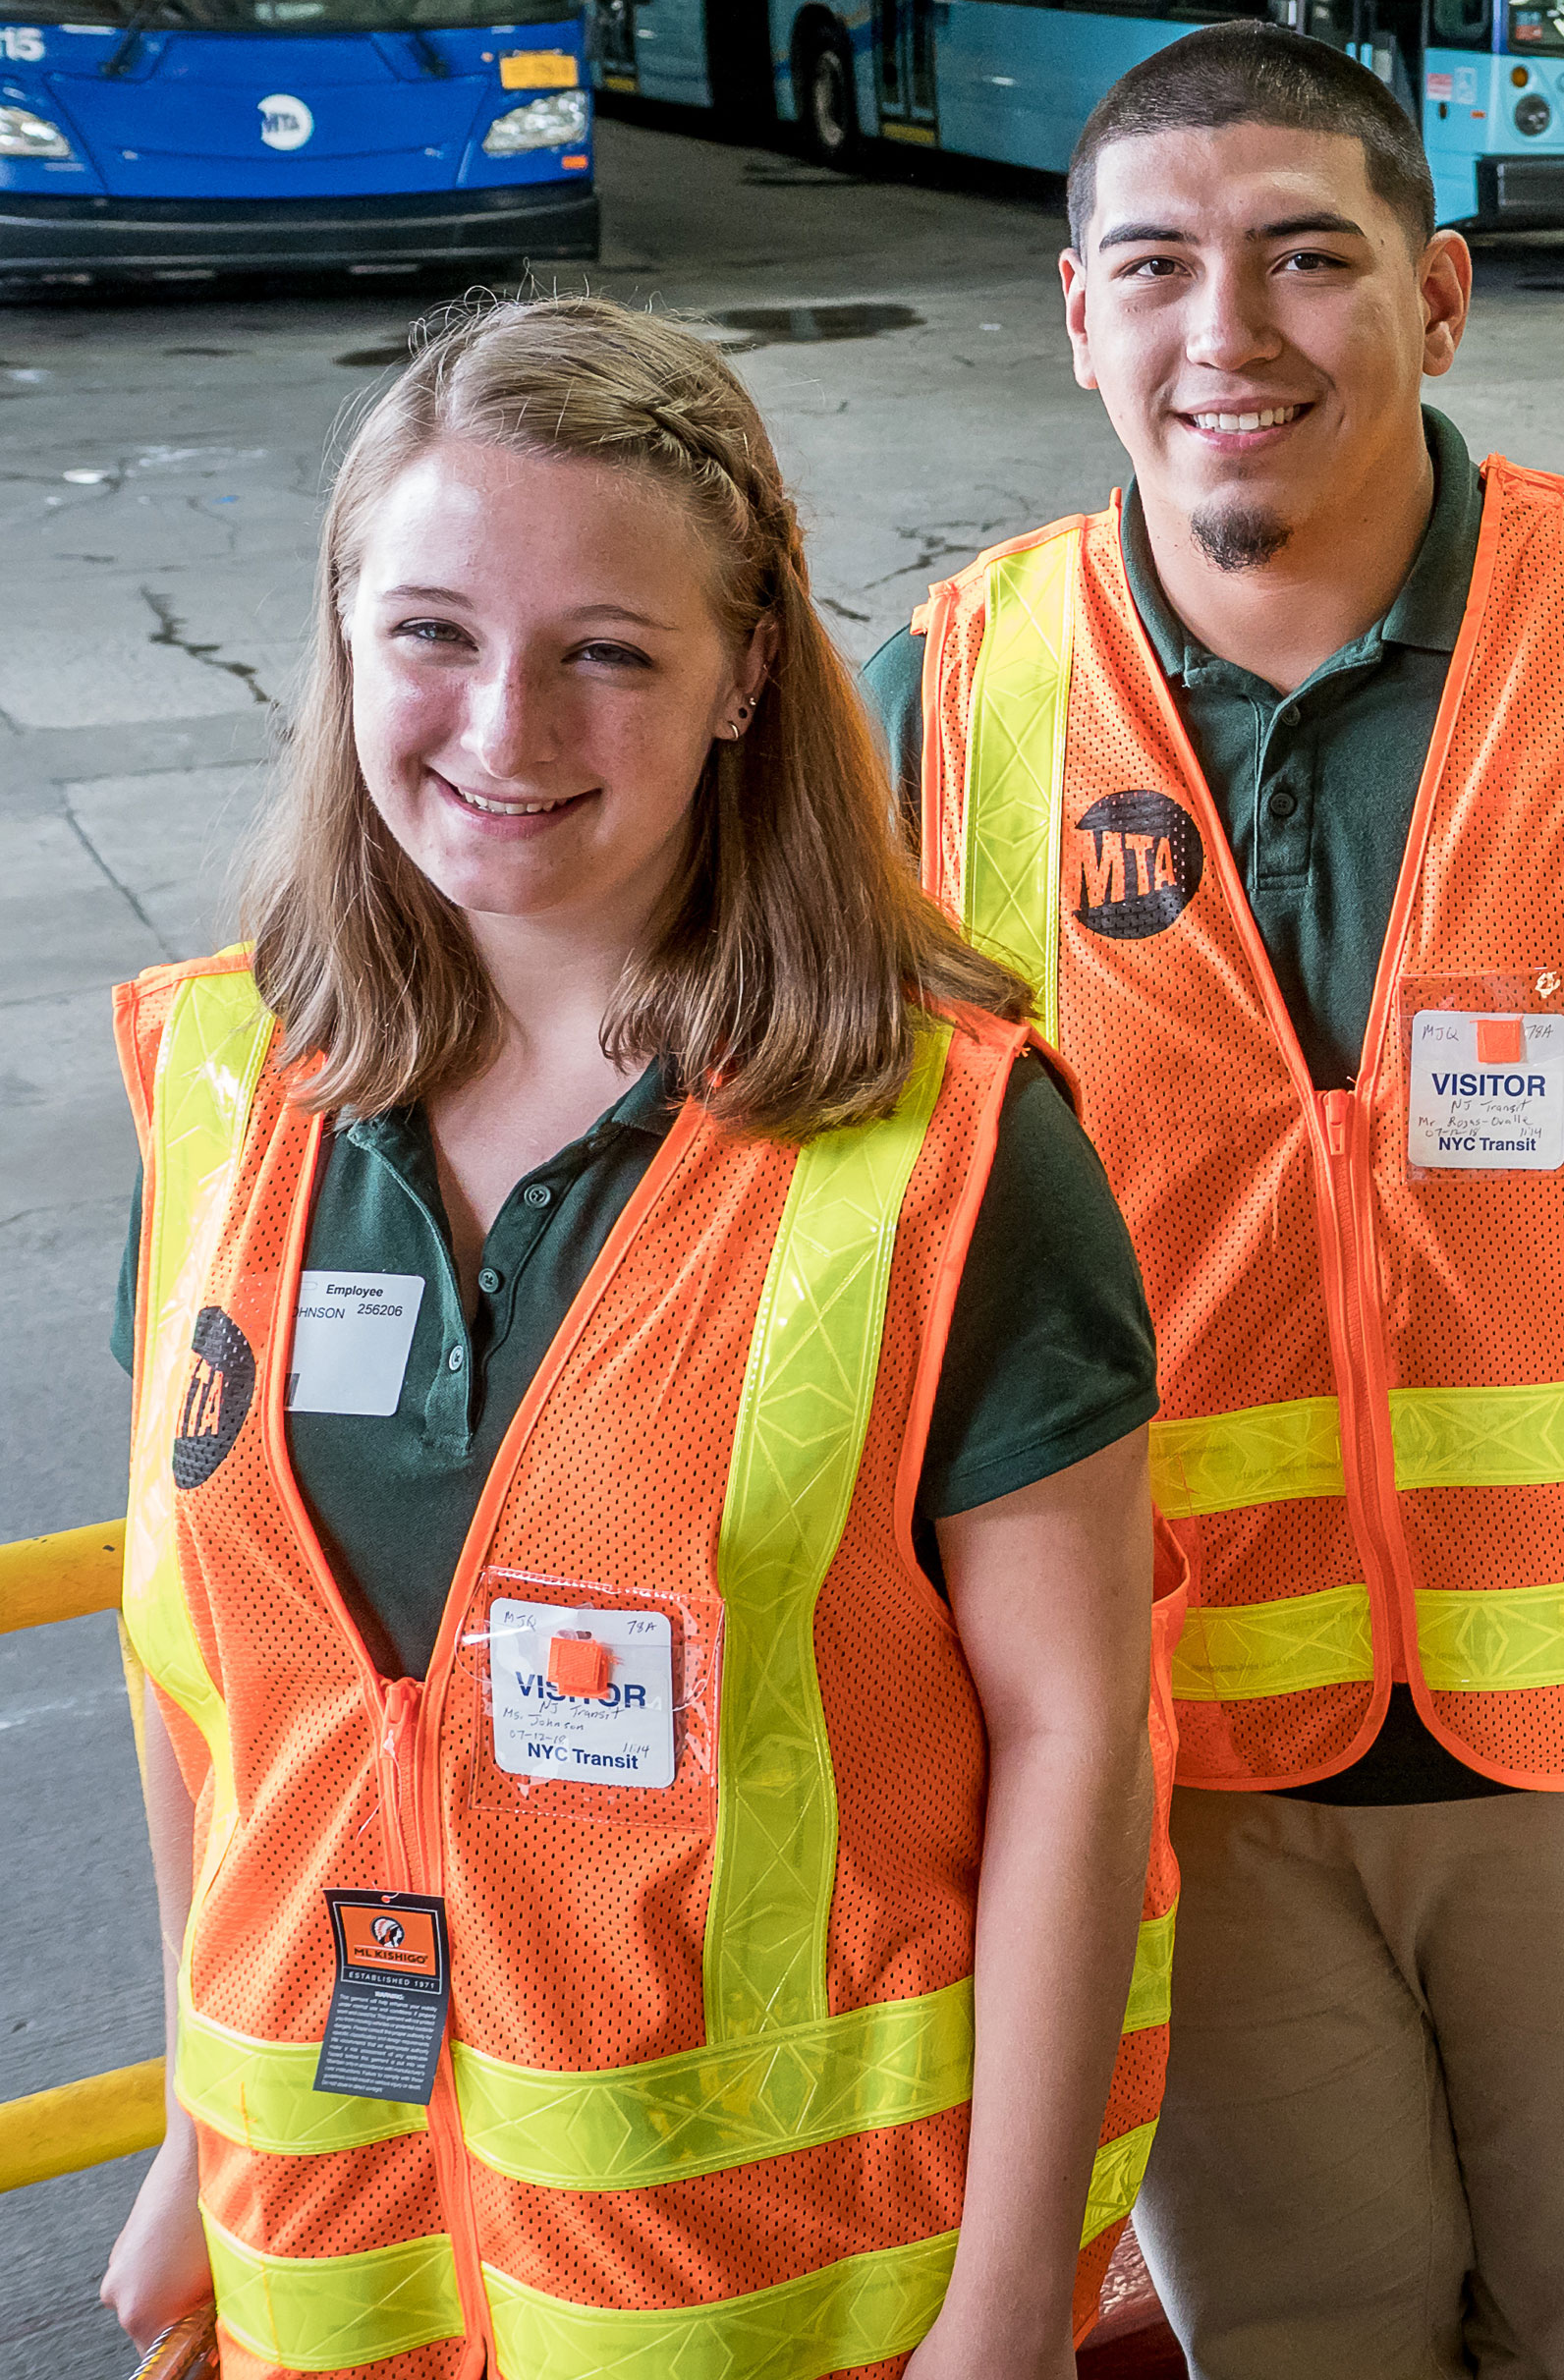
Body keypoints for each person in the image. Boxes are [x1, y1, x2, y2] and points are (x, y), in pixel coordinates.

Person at [870, 22, 1564, 2380]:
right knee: (1291, 2328)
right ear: (1078, 318)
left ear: (1440, 295)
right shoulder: (941, 713)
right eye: (1156, 268)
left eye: (1307, 259)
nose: (1228, 334)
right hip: (1172, 1741)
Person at [95, 297, 1175, 2380]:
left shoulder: (945, 1155)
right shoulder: (227, 1088)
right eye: (430, 633)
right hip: (334, 2255)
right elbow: (204, 1681)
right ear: (337, 637)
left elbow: (1080, 1743)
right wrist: (181, 2124)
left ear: (747, 673)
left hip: (762, 2292)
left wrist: (1015, 2290)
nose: (503, 729)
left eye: (605, 651)